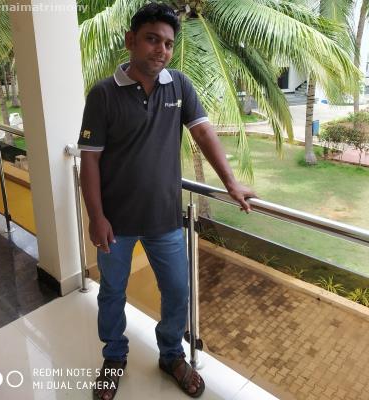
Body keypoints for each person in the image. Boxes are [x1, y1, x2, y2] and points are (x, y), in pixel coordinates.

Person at [78, 3, 256, 399]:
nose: (161, 50)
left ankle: (172, 354)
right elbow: (89, 160)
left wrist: (231, 183)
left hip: (165, 219)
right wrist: (96, 217)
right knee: (112, 292)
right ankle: (114, 356)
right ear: (131, 40)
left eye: (169, 44)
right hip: (115, 222)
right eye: (152, 39)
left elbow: (203, 132)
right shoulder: (103, 94)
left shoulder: (179, 85)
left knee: (177, 291)